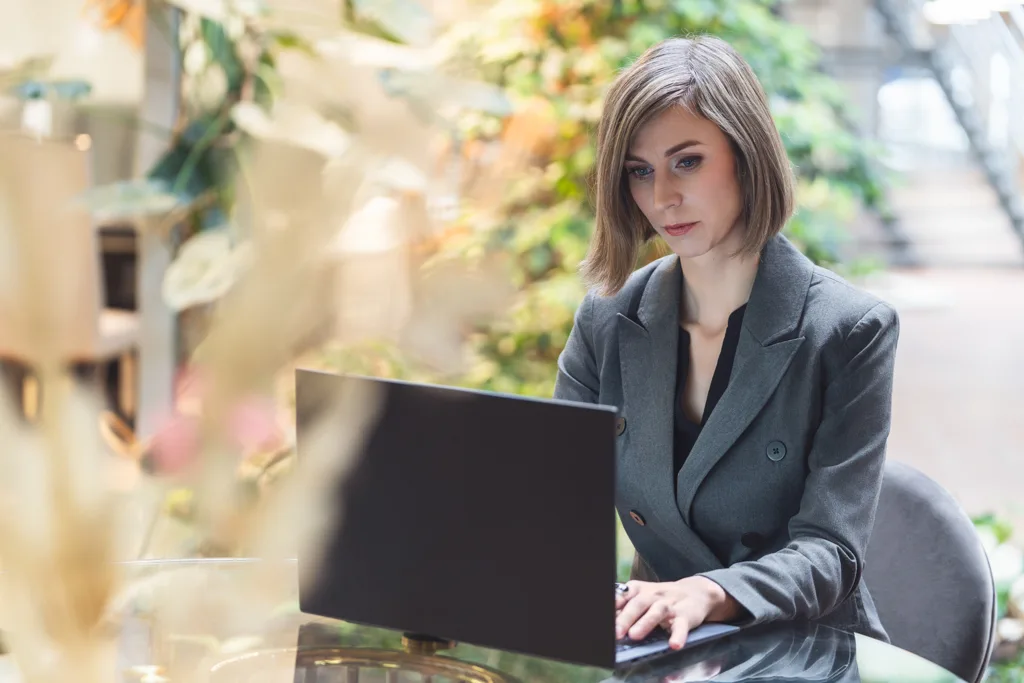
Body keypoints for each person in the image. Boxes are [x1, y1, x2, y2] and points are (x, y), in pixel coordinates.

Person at [553, 35, 899, 650]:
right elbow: (545, 504)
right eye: (640, 171)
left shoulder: (849, 330)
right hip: (660, 647)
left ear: (746, 154)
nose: (662, 198)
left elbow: (831, 551)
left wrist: (710, 591)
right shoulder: (607, 322)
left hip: (802, 649)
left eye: (687, 161)